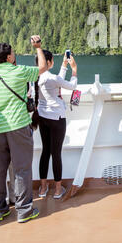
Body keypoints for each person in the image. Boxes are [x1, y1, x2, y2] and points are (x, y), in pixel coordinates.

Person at [0, 36, 47, 223]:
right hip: (18, 128)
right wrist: (38, 48)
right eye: (13, 53)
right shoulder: (19, 71)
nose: (14, 55)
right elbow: (42, 68)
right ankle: (24, 211)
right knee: (22, 168)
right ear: (8, 57)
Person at [37, 51, 78, 199]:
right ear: (48, 62)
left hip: (42, 117)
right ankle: (57, 189)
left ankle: (42, 188)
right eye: (52, 60)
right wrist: (74, 69)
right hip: (57, 118)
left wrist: (63, 65)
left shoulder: (35, 77)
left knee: (45, 151)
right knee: (56, 153)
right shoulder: (52, 78)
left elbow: (58, 80)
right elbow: (72, 85)